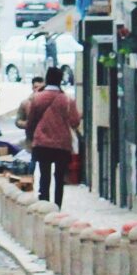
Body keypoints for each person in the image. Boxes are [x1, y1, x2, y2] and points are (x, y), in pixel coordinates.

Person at [23, 66, 81, 205]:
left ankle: (44, 204)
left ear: (47, 79)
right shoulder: (67, 100)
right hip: (62, 144)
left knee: (44, 176)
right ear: (60, 80)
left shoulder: (37, 98)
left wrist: (31, 137)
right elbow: (75, 122)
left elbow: (31, 121)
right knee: (59, 178)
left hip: (42, 143)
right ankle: (57, 206)